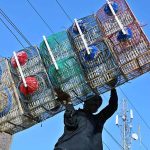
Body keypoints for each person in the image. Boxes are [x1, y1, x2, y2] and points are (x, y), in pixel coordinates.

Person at [54, 86, 118, 150]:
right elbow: (70, 122)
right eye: (94, 100)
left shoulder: (98, 119)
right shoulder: (76, 113)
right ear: (85, 102)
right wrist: (68, 102)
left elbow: (112, 106)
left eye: (98, 103)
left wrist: (113, 88)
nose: (96, 103)